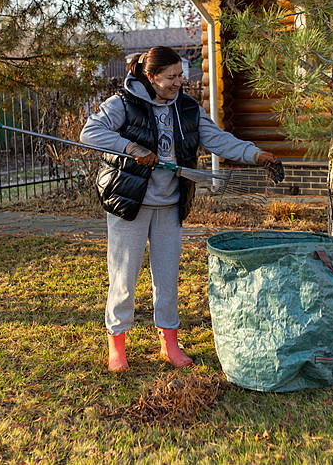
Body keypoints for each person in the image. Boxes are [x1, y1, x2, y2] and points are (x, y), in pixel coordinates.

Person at [80, 46, 280, 372]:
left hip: (170, 205)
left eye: (180, 75)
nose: (178, 82)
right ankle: (117, 345)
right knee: (123, 279)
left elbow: (219, 140)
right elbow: (90, 132)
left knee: (168, 278)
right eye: (171, 77)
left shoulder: (188, 108)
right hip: (129, 203)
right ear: (151, 77)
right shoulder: (123, 104)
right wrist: (130, 147)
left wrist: (258, 155)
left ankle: (169, 344)